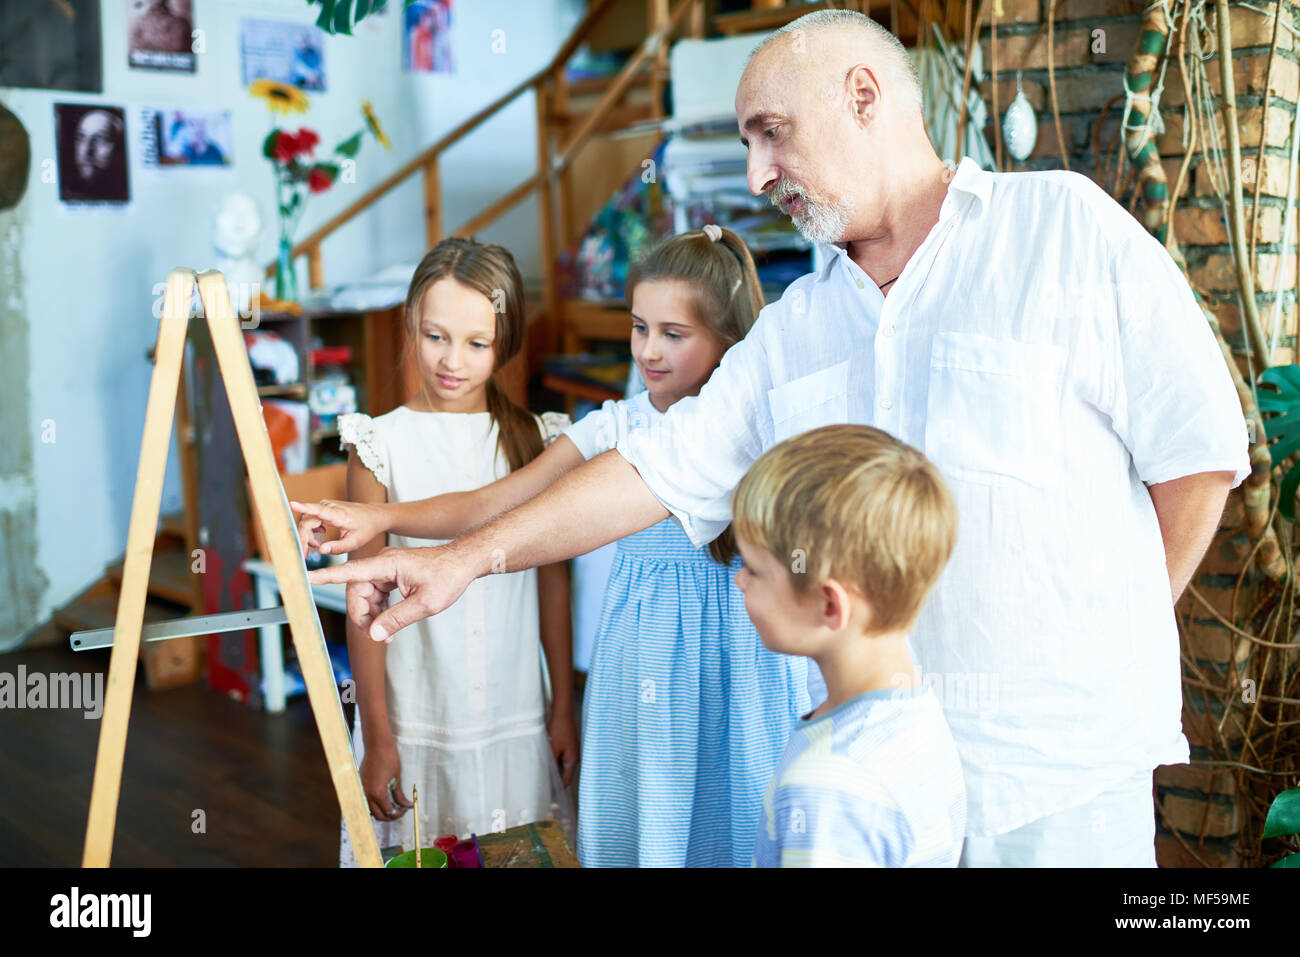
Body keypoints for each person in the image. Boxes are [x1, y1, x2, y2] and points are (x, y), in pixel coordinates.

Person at [310, 10, 1250, 867]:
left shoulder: (1062, 233)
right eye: (747, 144)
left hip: (1050, 781)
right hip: (867, 785)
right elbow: (653, 469)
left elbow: (1197, 458)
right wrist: (466, 558)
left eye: (772, 132)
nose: (758, 175)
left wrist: (1093, 655)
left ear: (864, 97)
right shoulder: (797, 327)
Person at [299, 227, 809, 866]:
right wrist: (374, 515)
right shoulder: (614, 425)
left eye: (673, 334)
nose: (648, 350)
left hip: (742, 655)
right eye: (638, 326)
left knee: (740, 817)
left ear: (728, 342)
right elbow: (492, 504)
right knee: (653, 817)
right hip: (643, 659)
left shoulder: (765, 426)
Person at [333, 237, 576, 866]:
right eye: (435, 335)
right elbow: (365, 599)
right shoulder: (376, 443)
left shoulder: (539, 443)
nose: (452, 361)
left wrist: (563, 710)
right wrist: (378, 737)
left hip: (513, 711)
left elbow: (553, 586)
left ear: (506, 341)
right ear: (411, 321)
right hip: (416, 715)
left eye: (477, 343)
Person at [732, 425, 965, 867]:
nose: (739, 579)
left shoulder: (828, 789)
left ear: (828, 604)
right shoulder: (914, 710)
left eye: (754, 570)